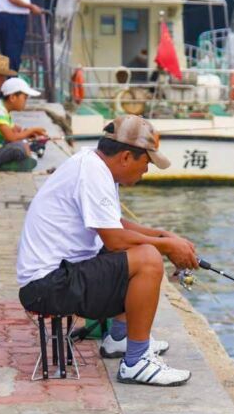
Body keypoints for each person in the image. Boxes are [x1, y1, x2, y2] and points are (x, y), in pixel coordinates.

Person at [16, 115, 199, 386]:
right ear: (126, 157)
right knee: (147, 259)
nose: (146, 171)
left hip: (57, 278)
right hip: (46, 288)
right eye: (146, 163)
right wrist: (166, 246)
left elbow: (115, 224)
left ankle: (120, 338)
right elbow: (115, 239)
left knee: (138, 249)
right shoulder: (91, 172)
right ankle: (136, 363)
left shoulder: (93, 165)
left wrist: (163, 235)